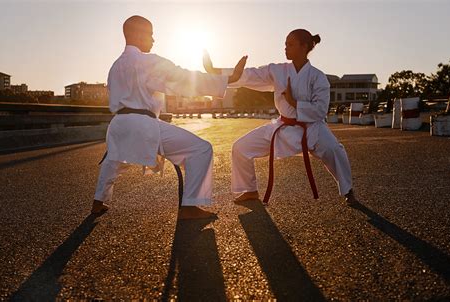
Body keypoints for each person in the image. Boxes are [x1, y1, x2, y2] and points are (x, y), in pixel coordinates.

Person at [92, 15, 247, 219]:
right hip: (143, 124)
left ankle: (98, 202)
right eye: (151, 34)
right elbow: (182, 77)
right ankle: (190, 206)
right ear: (138, 34)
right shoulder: (147, 61)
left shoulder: (114, 67)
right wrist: (226, 80)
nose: (154, 40)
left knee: (114, 160)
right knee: (201, 149)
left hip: (119, 123)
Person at [203, 29, 358, 205]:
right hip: (283, 127)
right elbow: (249, 75)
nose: (285, 48)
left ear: (304, 46)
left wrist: (294, 103)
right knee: (240, 147)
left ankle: (348, 190)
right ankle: (250, 190)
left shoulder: (318, 77)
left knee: (335, 151)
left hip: (313, 129)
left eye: (290, 44)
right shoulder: (278, 70)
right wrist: (214, 70)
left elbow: (321, 110)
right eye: (285, 44)